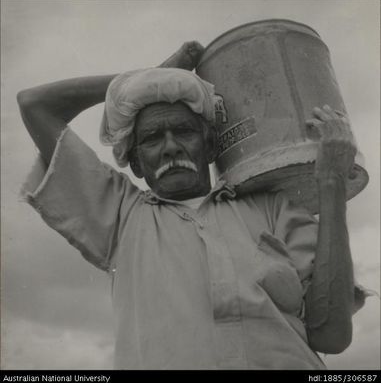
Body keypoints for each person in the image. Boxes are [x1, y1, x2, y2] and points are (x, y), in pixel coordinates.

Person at [17, 41, 367, 370]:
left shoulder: (272, 209)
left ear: (210, 146)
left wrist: (331, 183)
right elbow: (35, 105)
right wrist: (147, 80)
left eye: (183, 131)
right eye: (152, 139)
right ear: (137, 164)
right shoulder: (121, 216)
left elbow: (332, 335)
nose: (170, 147)